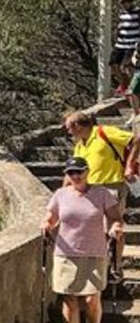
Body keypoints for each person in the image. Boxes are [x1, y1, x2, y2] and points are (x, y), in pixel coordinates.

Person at [42, 156, 123, 323]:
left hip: (94, 252)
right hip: (66, 253)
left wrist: (115, 227)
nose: (75, 176)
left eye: (79, 171)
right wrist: (46, 225)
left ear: (87, 172)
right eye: (71, 172)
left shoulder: (102, 194)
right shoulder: (60, 195)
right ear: (66, 175)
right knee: (69, 299)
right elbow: (51, 218)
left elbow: (115, 216)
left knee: (91, 298)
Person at [63, 110, 137, 278]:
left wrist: (129, 165)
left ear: (77, 126)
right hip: (90, 190)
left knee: (113, 227)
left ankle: (115, 266)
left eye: (69, 128)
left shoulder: (104, 132)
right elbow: (71, 173)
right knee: (97, 229)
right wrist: (63, 194)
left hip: (112, 186)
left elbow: (135, 139)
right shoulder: (80, 145)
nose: (68, 132)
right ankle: (102, 265)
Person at [111, 0, 140, 92]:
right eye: (122, 3)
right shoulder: (121, 13)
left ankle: (133, 88)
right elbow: (119, 25)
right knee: (113, 64)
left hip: (132, 43)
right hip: (121, 43)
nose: (125, 5)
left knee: (127, 66)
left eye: (126, 3)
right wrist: (117, 30)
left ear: (131, 3)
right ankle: (123, 84)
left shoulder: (137, 12)